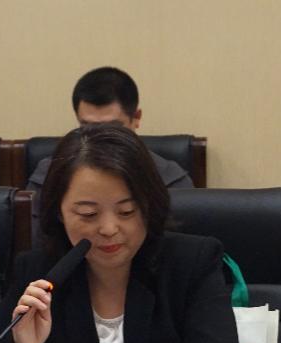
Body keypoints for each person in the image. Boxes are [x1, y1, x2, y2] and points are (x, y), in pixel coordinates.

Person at [0, 124, 238, 343]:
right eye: (88, 214)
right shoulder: (43, 270)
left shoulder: (192, 261)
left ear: (150, 206)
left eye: (127, 211)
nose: (109, 229)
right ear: (59, 212)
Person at [26, 66, 194, 241]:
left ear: (136, 118)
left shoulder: (171, 180)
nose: (101, 136)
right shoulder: (47, 175)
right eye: (88, 126)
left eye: (112, 127)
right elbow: (38, 243)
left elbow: (178, 248)